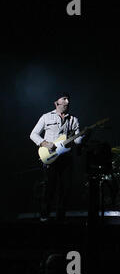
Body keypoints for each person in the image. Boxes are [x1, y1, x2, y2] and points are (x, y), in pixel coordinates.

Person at [30, 94, 83, 222]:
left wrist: (83, 136)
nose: (67, 101)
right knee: (49, 187)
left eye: (68, 100)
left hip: (66, 158)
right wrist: (45, 143)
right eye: (64, 99)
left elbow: (77, 141)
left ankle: (61, 217)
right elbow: (33, 134)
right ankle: (44, 215)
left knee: (65, 188)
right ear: (56, 103)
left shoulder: (73, 119)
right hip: (50, 157)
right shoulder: (46, 117)